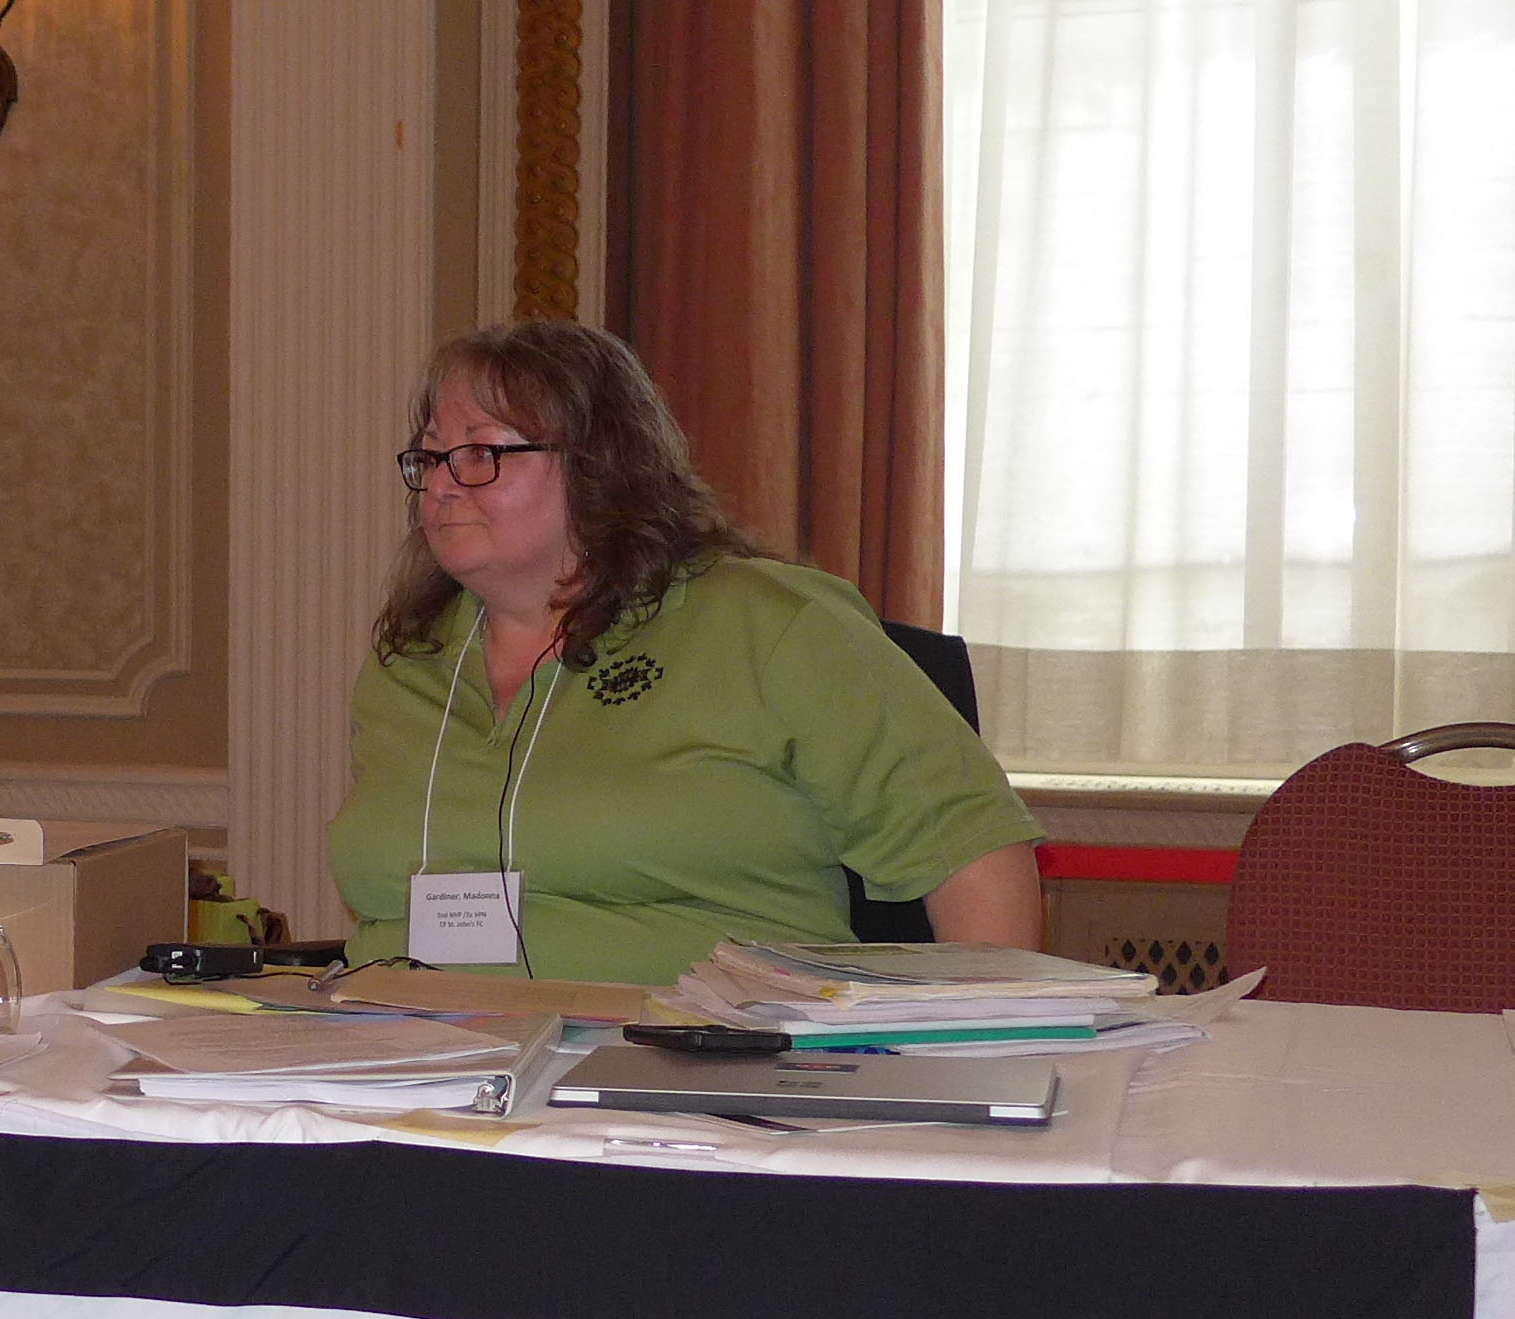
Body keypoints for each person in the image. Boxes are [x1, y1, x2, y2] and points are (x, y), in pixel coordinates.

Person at [325, 321, 1045, 987]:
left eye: (480, 451)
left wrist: (972, 1056)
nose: (442, 484)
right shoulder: (407, 663)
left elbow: (970, 852)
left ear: (596, 464)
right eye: (429, 455)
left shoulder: (769, 626)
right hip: (412, 1068)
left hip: (687, 1082)